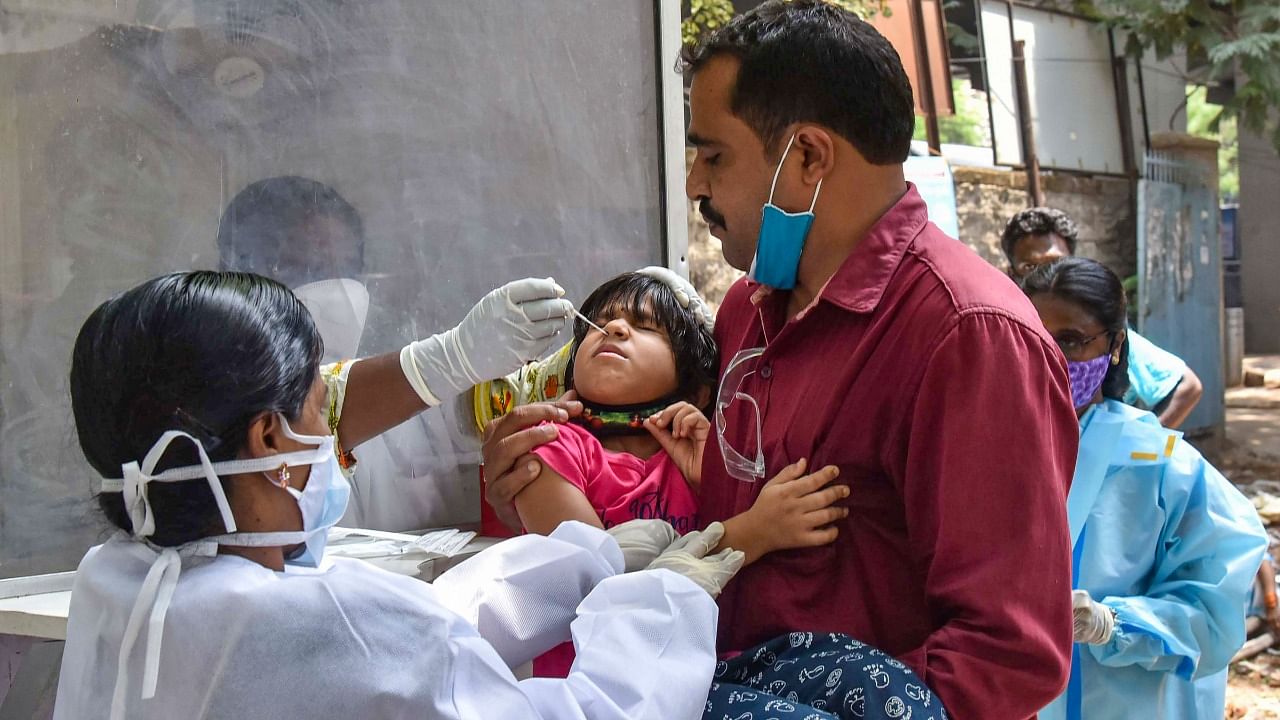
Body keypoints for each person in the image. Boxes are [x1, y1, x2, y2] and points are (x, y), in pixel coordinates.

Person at [482, 3, 1078, 718]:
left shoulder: (968, 336)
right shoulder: (749, 310)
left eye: (714, 155)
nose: (695, 184)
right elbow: (716, 528)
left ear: (807, 158)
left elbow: (1005, 653)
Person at [53, 270, 742, 720]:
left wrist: (588, 559)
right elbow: (592, 709)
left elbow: (416, 630)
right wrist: (661, 599)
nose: (335, 438)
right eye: (322, 410)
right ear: (269, 442)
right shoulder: (335, 621)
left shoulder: (114, 581)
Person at [1020, 257, 1267, 720]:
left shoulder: (1159, 465)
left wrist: (1113, 624)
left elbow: (1216, 611)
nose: (1050, 355)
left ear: (1115, 345)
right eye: (1034, 336)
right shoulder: (987, 448)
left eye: (1071, 340)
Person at [217, 176, 486, 531]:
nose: (336, 290)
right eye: (306, 269)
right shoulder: (221, 414)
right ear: (242, 279)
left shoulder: (413, 411)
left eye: (346, 270)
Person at [1001, 206, 1204, 429]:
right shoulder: (1001, 339)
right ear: (1011, 274)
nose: (1045, 276)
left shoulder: (1106, 338)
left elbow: (1188, 385)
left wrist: (1141, 447)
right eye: (1030, 266)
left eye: (1070, 342)